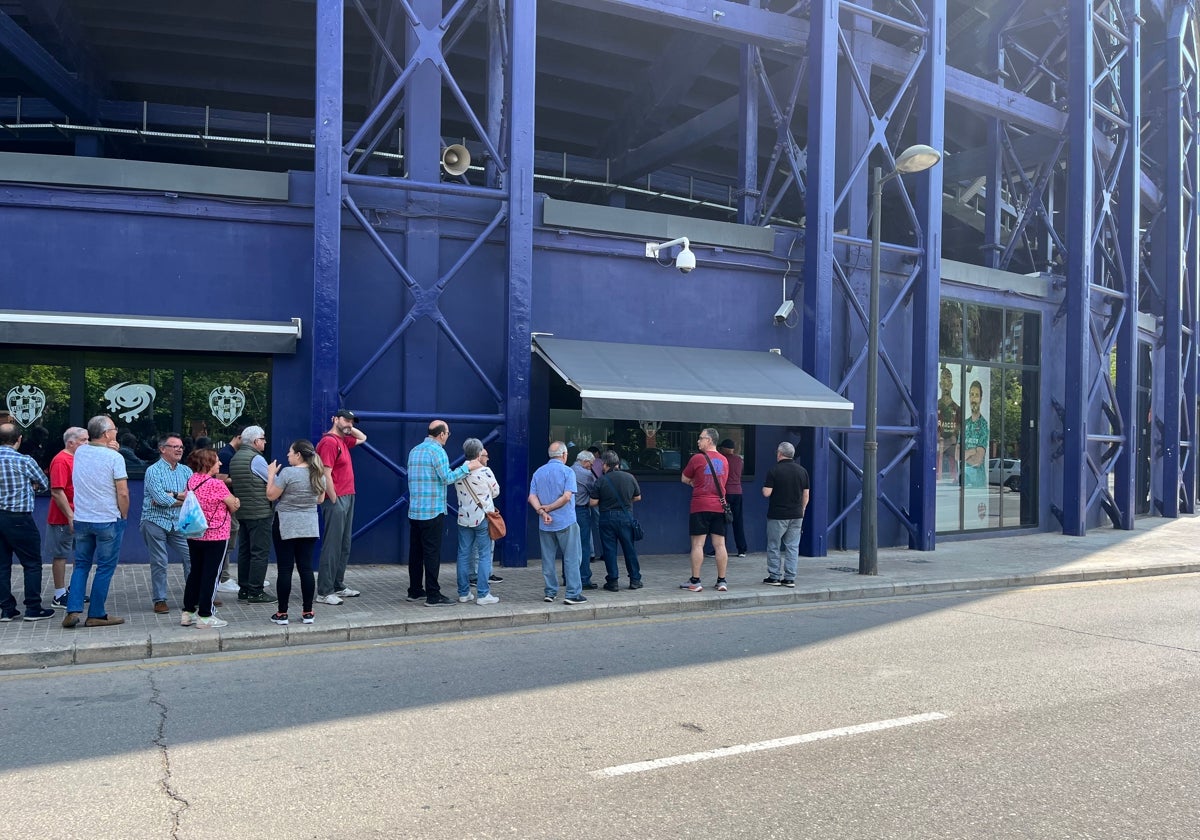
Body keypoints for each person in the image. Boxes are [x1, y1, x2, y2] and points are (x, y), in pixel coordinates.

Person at [63, 415, 130, 628]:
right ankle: (97, 614)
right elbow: (123, 492)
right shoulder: (115, 458)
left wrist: (112, 449)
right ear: (106, 434)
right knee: (104, 567)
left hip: (82, 518)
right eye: (114, 429)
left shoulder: (81, 451)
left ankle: (73, 609)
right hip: (107, 518)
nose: (116, 432)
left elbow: (95, 457)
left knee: (81, 565)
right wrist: (124, 514)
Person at [406, 420, 482, 606]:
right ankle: (433, 595)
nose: (448, 436)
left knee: (415, 553)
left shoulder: (414, 450)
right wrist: (466, 468)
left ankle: (415, 590)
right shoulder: (438, 451)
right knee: (432, 554)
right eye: (448, 433)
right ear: (441, 434)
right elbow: (446, 478)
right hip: (432, 510)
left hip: (415, 510)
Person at [266, 439, 326, 625]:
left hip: (286, 524)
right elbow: (320, 500)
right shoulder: (319, 474)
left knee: (285, 569)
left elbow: (271, 495)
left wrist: (270, 475)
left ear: (298, 454)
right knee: (306, 569)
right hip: (308, 525)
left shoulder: (287, 473)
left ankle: (282, 614)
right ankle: (308, 612)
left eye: (290, 452)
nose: (288, 455)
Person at [0, 421, 54, 622]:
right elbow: (44, 482)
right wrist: (32, 488)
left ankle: (6, 609)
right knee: (31, 563)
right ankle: (33, 607)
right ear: (19, 439)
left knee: (2, 564)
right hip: (19, 518)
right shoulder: (24, 461)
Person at [180, 448, 240, 629]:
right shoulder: (217, 484)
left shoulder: (191, 481)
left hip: (195, 533)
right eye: (217, 461)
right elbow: (233, 505)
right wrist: (236, 501)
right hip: (216, 534)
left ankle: (188, 612)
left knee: (195, 572)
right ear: (208, 464)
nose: (220, 463)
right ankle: (205, 615)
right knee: (211, 575)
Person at [315, 409, 368, 605]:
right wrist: (334, 497)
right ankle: (324, 591)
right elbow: (324, 473)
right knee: (333, 545)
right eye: (345, 419)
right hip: (337, 498)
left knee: (344, 545)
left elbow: (363, 437)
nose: (349, 423)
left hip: (348, 495)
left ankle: (337, 584)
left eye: (351, 421)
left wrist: (349, 428)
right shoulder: (329, 442)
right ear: (334, 419)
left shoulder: (342, 440)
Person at [140, 432, 193, 614]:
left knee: (191, 557)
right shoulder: (152, 470)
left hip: (179, 523)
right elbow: (159, 500)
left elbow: (193, 497)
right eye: (174, 446)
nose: (179, 449)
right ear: (162, 449)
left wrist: (170, 495)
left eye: (181, 447)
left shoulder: (186, 471)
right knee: (160, 561)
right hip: (155, 521)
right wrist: (180, 497)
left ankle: (194, 595)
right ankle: (160, 599)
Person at [528, 441, 587, 604]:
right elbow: (567, 497)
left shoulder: (538, 472)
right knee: (572, 558)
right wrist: (550, 508)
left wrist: (542, 511)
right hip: (566, 521)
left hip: (545, 523)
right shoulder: (568, 472)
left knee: (548, 559)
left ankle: (550, 592)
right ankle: (573, 593)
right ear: (564, 455)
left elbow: (531, 496)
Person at [680, 427, 729, 593]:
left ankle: (695, 581)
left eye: (701, 438)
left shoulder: (697, 459)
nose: (698, 441)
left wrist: (695, 483)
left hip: (700, 505)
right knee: (720, 544)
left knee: (697, 544)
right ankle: (722, 581)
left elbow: (684, 478)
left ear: (709, 440)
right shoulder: (724, 460)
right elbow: (723, 481)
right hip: (719, 506)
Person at [453, 437, 501, 605]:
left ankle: (463, 593)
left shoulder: (459, 471)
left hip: (463, 518)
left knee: (463, 555)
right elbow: (496, 492)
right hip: (482, 518)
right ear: (480, 452)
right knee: (484, 555)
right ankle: (483, 594)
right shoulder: (485, 472)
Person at [229, 425, 274, 603]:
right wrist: (273, 474)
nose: (265, 442)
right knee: (259, 553)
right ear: (256, 441)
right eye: (263, 439)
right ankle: (256, 591)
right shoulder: (256, 459)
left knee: (245, 551)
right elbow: (272, 482)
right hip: (259, 511)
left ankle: (244, 589)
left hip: (243, 512)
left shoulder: (235, 458)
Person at [45, 426, 88, 608]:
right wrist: (70, 515)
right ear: (71, 442)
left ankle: (74, 589)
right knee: (61, 555)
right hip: (63, 517)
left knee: (81, 555)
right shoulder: (61, 461)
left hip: (80, 515)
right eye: (83, 440)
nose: (87, 443)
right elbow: (57, 491)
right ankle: (59, 594)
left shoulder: (78, 459)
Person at [589, 449, 643, 590]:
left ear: (606, 464)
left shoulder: (601, 480)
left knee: (609, 550)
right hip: (626, 517)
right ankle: (635, 580)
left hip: (607, 517)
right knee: (629, 549)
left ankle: (613, 581)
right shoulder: (629, 477)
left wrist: (605, 501)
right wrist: (625, 501)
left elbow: (593, 502)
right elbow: (638, 497)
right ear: (618, 464)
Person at [762, 442, 810, 587]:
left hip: (778, 515)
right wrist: (802, 509)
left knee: (774, 545)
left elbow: (766, 493)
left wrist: (765, 487)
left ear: (779, 453)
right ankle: (790, 578)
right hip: (796, 514)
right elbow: (806, 494)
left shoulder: (774, 470)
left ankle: (774, 576)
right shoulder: (802, 471)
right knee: (792, 547)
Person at [467, 446, 502, 587]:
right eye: (485, 455)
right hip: (484, 514)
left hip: (466, 514)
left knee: (466, 549)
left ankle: (478, 575)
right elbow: (496, 491)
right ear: (478, 456)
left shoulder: (462, 470)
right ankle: (479, 576)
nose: (488, 458)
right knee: (483, 547)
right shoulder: (486, 471)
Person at [214, 426, 243, 593]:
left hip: (232, 502)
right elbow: (220, 480)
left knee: (231, 539)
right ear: (239, 437)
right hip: (226, 504)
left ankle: (224, 576)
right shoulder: (226, 454)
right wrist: (242, 477)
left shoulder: (233, 453)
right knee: (228, 539)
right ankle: (223, 578)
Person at [571, 450, 599, 590]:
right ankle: (584, 578)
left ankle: (567, 577)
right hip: (581, 510)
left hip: (568, 511)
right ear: (586, 462)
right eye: (591, 464)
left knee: (569, 546)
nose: (591, 467)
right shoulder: (587, 475)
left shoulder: (568, 470)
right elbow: (595, 490)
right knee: (584, 545)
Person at [718, 438, 748, 557]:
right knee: (738, 521)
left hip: (726, 493)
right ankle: (741, 549)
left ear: (725, 448)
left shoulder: (723, 459)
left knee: (722, 521)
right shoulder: (739, 460)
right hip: (738, 492)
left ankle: (720, 549)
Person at [963, 380, 989, 488]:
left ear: (981, 399)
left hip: (978, 483)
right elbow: (956, 454)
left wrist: (964, 455)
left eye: (977, 395)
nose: (973, 399)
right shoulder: (965, 424)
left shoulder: (983, 425)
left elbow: (978, 461)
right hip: (964, 481)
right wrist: (972, 451)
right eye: (971, 395)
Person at [937, 366, 961, 483]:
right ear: (940, 384)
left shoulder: (957, 408)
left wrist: (953, 438)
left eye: (948, 381)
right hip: (939, 446)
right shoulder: (935, 406)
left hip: (951, 446)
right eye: (943, 381)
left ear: (951, 385)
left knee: (953, 463)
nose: (946, 385)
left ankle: (955, 478)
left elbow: (959, 429)